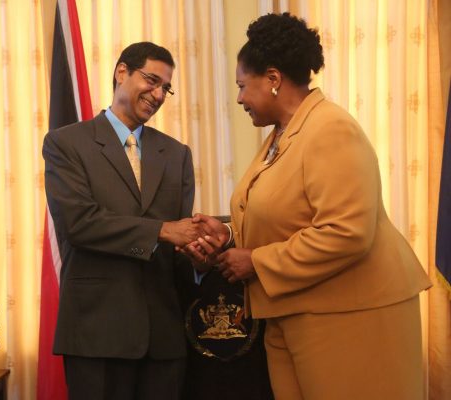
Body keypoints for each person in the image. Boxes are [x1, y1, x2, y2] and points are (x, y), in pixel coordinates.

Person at [183, 13, 432, 400]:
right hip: (294, 314)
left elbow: (346, 232)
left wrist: (256, 262)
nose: (239, 99)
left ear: (273, 79)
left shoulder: (330, 129)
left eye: (242, 86)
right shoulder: (281, 135)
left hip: (349, 317)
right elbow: (284, 213)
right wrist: (230, 234)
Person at [43, 41, 205, 399]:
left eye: (166, 87)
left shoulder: (176, 155)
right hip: (97, 335)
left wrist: (198, 256)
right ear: (121, 72)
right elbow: (80, 224)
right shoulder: (66, 144)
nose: (159, 93)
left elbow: (178, 243)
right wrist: (162, 231)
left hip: (162, 340)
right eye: (151, 80)